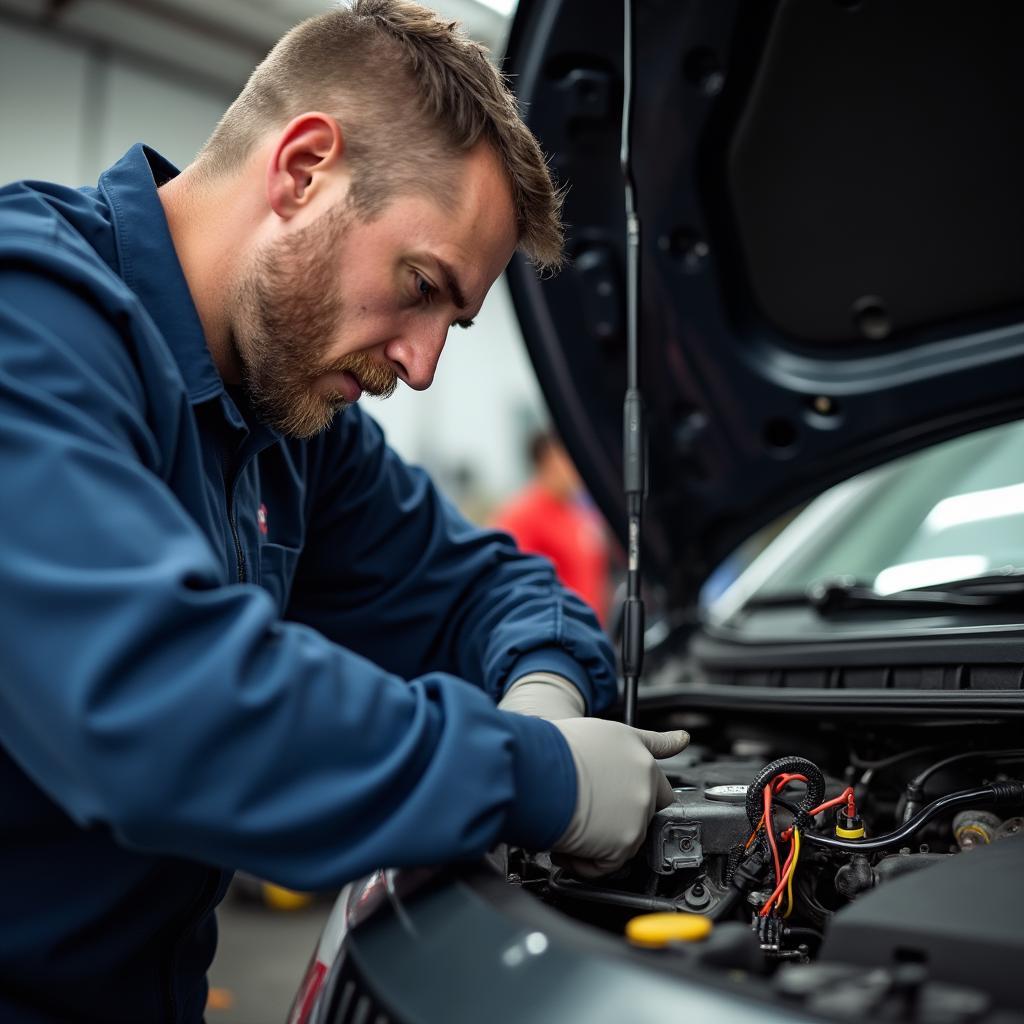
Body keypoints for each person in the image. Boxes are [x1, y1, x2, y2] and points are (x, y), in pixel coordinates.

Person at [0, 2, 688, 1020]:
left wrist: (543, 686)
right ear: (304, 168)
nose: (419, 364)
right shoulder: (31, 318)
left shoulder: (290, 431)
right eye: (420, 286)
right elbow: (160, 709)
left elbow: (485, 587)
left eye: (452, 322)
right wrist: (537, 773)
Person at [493, 430, 612, 623]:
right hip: (555, 636)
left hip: (590, 633)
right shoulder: (522, 516)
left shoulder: (578, 512)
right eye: (567, 458)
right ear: (547, 461)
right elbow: (509, 582)